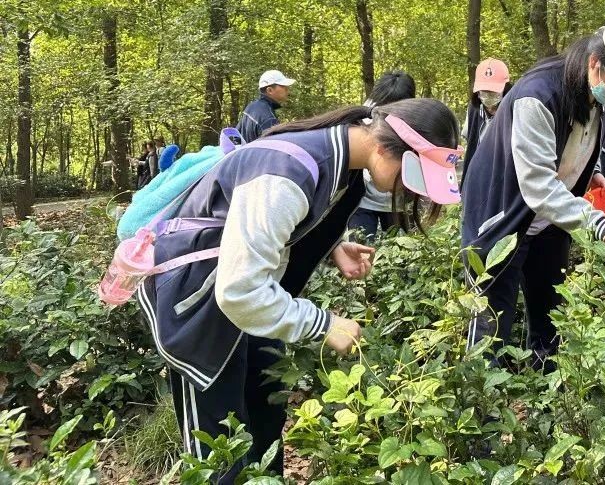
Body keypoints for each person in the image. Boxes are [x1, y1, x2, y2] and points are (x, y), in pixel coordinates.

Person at [137, 98, 461, 482]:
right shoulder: (285, 173)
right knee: (220, 448)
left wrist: (333, 247)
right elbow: (239, 291)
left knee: (265, 413)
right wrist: (324, 325)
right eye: (414, 175)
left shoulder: (347, 160)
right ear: (383, 147)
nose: (411, 190)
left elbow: (272, 223)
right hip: (200, 304)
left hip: (247, 297)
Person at [461, 19, 605, 371]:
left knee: (549, 315)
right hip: (502, 217)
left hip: (552, 219)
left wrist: (593, 171)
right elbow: (538, 182)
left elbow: (579, 143)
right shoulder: (537, 97)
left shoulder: (600, 93)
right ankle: (485, 410)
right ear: (594, 65)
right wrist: (599, 225)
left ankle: (544, 396)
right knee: (492, 324)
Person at [347, 71, 417, 240]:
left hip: (397, 202)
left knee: (399, 251)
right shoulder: (365, 117)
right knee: (361, 246)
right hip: (363, 199)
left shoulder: (415, 118)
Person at [461, 58, 512, 185]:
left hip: (504, 180)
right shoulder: (473, 111)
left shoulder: (514, 111)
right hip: (478, 178)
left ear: (505, 89)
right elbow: (470, 140)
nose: (488, 96)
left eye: (493, 92)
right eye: (484, 92)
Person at [237, 70, 296, 143]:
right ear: (270, 90)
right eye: (284, 86)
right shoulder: (269, 119)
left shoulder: (251, 106)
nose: (287, 90)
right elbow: (273, 149)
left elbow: (236, 137)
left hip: (245, 153)